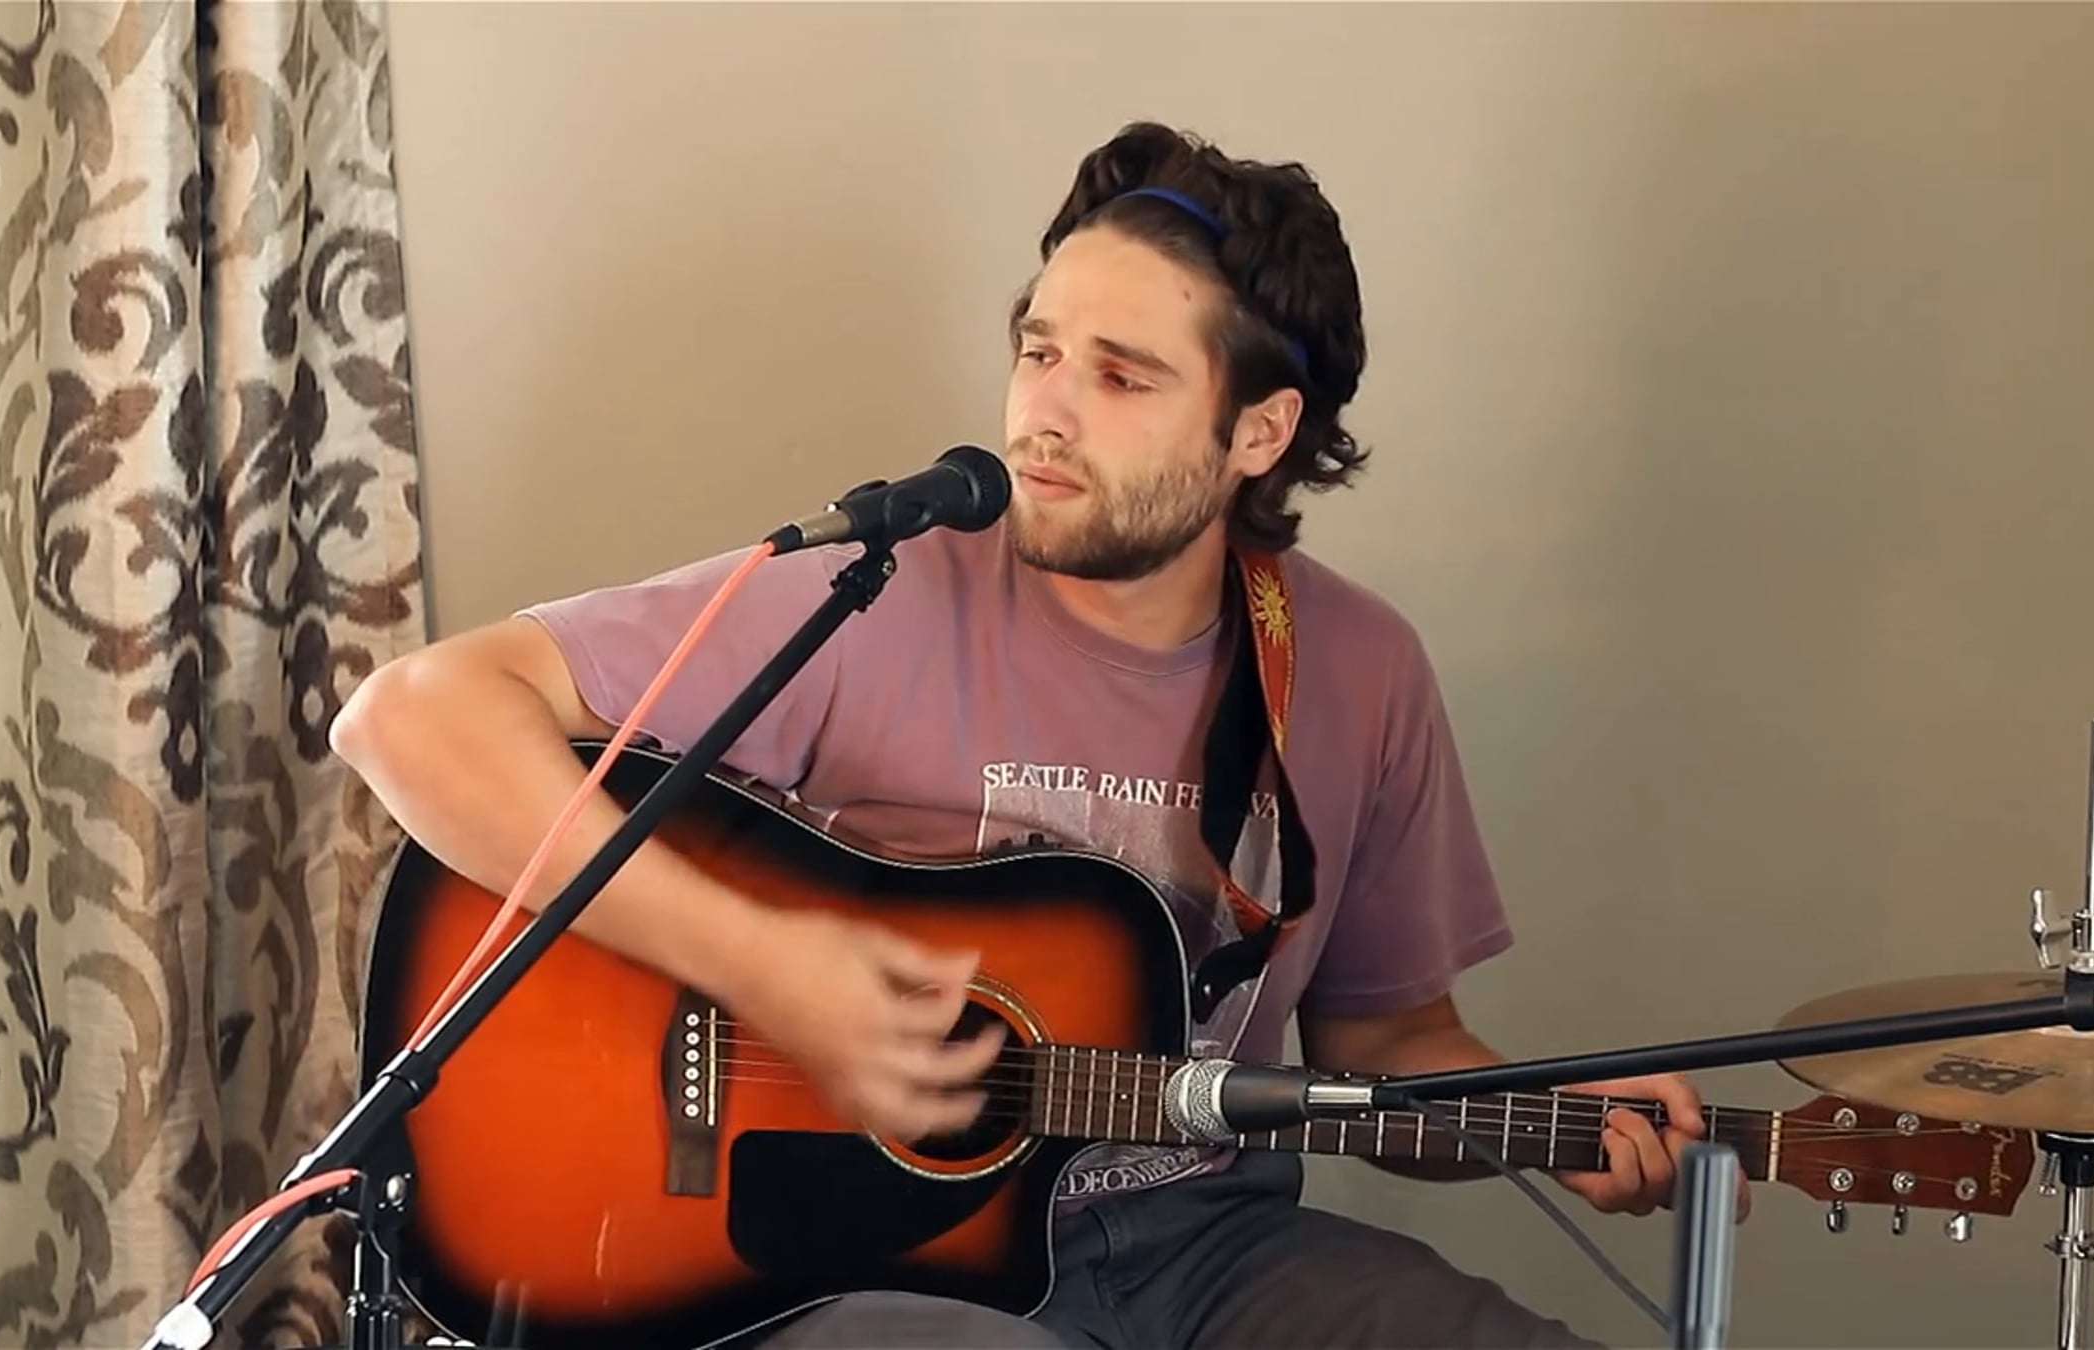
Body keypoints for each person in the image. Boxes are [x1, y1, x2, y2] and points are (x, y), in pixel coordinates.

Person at [330, 120, 1745, 1350]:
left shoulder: (1359, 671)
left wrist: (1543, 1116)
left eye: (1122, 379)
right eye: (1039, 349)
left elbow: (1385, 1038)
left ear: (1260, 431)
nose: (1044, 415)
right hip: (873, 1263)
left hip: (1209, 1245)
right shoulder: (878, 589)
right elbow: (411, 716)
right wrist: (767, 964)